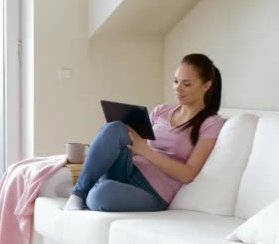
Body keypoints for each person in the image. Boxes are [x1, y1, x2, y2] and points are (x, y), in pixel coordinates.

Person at [64, 53, 225, 212]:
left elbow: (188, 174)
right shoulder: (161, 110)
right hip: (128, 170)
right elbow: (136, 145)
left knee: (100, 195)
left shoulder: (211, 123)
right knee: (115, 127)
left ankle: (95, 190)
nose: (178, 88)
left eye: (187, 84)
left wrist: (146, 152)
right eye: (175, 81)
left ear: (206, 85)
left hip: (152, 191)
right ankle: (78, 194)